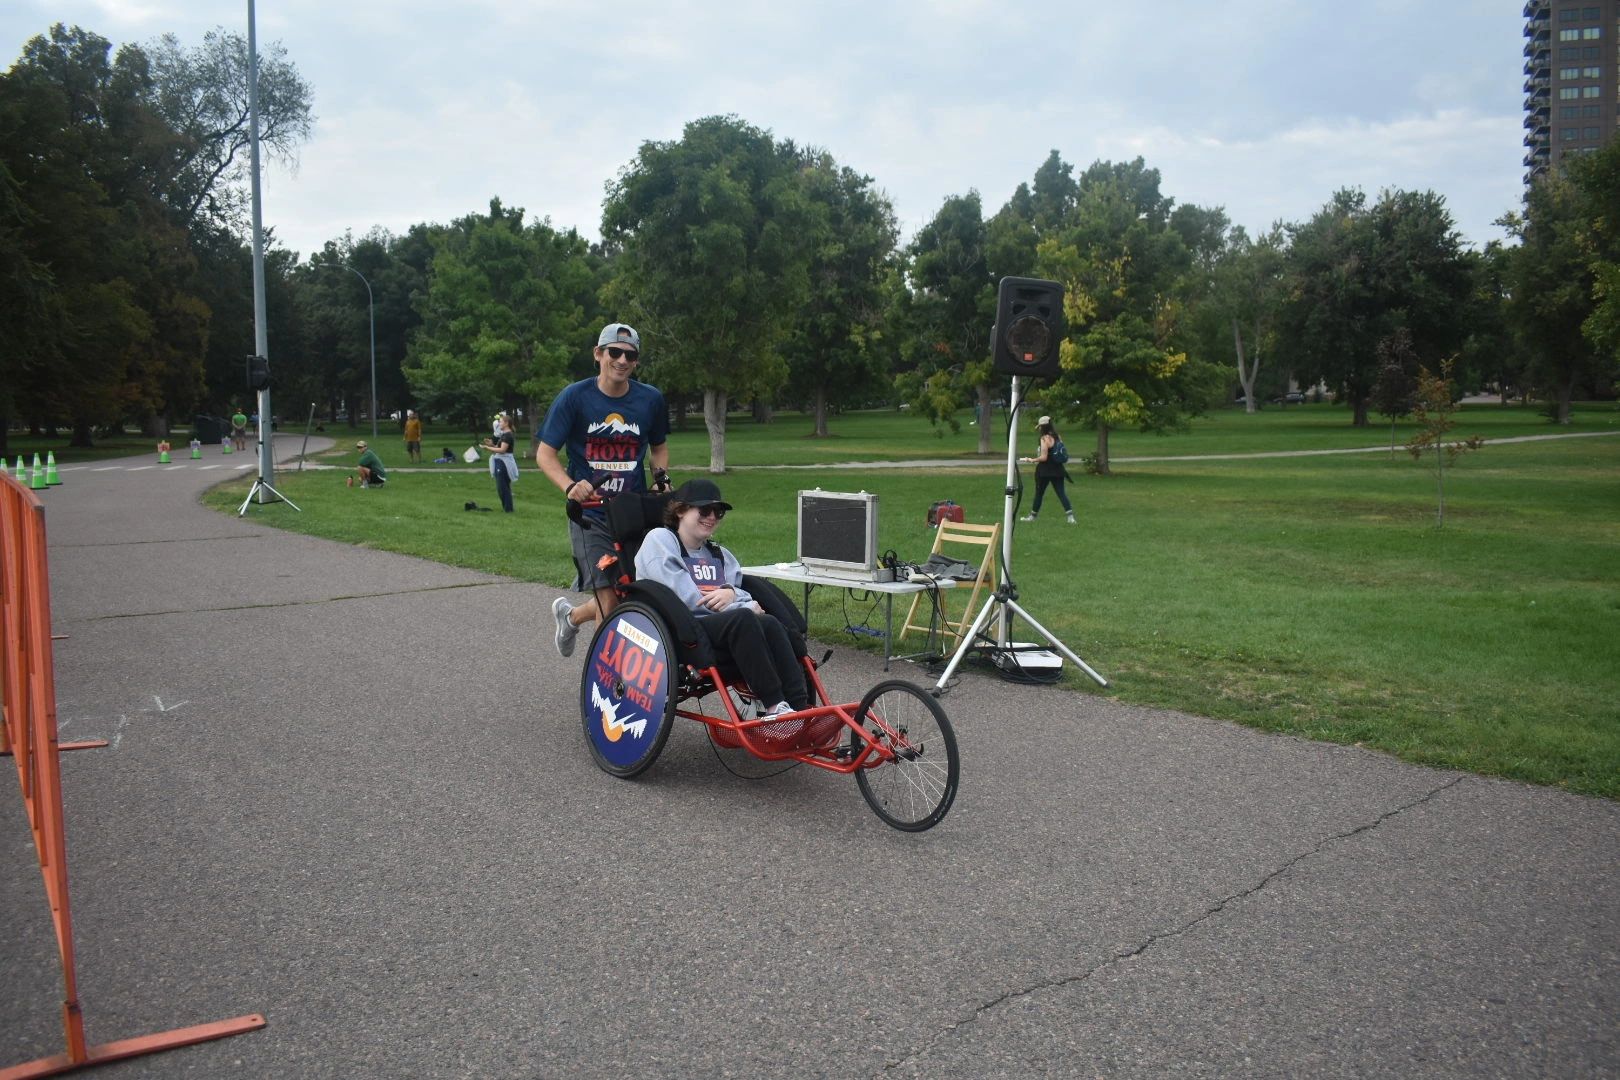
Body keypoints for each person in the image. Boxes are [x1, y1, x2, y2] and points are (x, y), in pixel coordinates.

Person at [538, 323, 670, 657]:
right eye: (615, 352)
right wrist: (570, 486)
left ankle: (571, 616)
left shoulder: (650, 399)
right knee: (609, 599)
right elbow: (545, 455)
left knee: (636, 591)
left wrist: (661, 479)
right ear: (598, 354)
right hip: (590, 514)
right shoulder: (574, 397)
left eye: (631, 355)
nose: (622, 360)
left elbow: (659, 447)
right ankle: (610, 684)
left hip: (633, 510)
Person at [634, 479, 809, 718]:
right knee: (743, 618)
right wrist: (740, 604)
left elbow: (739, 590)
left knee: (769, 622)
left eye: (718, 512)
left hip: (723, 626)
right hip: (681, 626)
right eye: (704, 510)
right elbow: (684, 596)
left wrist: (733, 594)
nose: (712, 517)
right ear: (681, 510)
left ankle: (801, 709)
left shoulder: (718, 553)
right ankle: (774, 705)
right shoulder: (660, 540)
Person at [1018, 414, 1075, 524]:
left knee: (1039, 493)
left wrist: (1030, 460)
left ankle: (1032, 516)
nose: (1039, 429)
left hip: (1044, 471)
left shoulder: (1044, 438)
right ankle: (1070, 517)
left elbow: (1044, 457)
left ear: (1043, 427)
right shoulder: (1058, 436)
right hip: (1058, 470)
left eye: (1040, 426)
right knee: (1061, 493)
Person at [480, 413, 518, 512]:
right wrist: (491, 444)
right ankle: (507, 508)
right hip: (500, 461)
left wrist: (487, 448)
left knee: (503, 486)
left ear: (506, 423)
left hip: (503, 463)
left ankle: (508, 509)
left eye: (500, 422)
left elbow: (502, 450)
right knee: (501, 486)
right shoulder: (504, 435)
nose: (499, 424)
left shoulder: (507, 435)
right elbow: (498, 448)